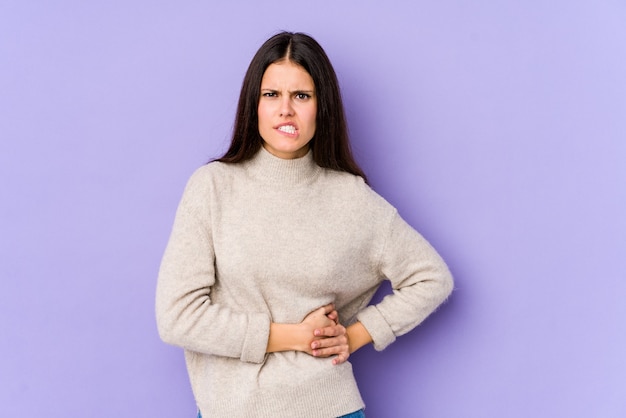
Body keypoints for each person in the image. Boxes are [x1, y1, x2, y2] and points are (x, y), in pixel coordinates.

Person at [156, 31, 453, 418]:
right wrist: (294, 336)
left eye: (301, 96)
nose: (285, 110)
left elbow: (433, 277)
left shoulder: (351, 198)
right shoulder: (213, 187)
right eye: (271, 95)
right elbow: (177, 318)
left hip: (329, 407)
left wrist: (354, 335)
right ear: (254, 106)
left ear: (321, 107)